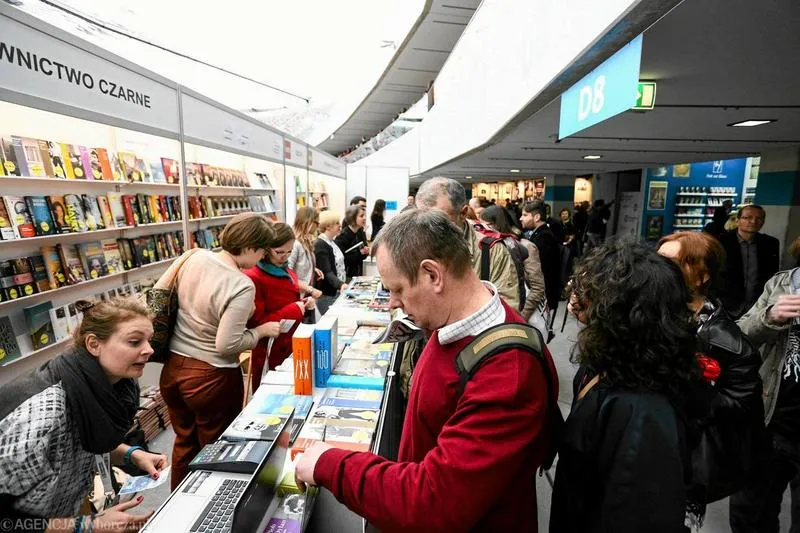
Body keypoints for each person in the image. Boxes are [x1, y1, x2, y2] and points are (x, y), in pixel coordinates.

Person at [295, 209, 558, 532]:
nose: (392, 303)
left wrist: (328, 463)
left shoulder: (508, 374)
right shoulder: (454, 322)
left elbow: (434, 502)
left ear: (433, 276)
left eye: (398, 289)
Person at [550, 241, 700, 532]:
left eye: (592, 295)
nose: (578, 300)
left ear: (620, 313)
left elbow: (638, 515)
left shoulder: (643, 412)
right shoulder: (615, 364)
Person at [0, 298, 169, 532]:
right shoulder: (44, 416)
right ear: (93, 344)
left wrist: (131, 455)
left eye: (148, 340)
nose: (149, 349)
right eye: (134, 341)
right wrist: (87, 526)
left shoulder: (104, 388)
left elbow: (73, 444)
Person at [160, 213, 281, 488]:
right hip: (209, 377)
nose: (262, 257)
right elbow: (226, 345)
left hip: (173, 369)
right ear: (250, 246)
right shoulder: (240, 284)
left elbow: (160, 293)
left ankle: (176, 510)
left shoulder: (194, 256)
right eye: (262, 250)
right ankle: (208, 513)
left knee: (183, 443)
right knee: (216, 451)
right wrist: (260, 332)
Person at [657, 232, 766, 527]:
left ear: (703, 276)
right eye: (657, 260)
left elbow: (742, 408)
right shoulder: (647, 313)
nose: (658, 269)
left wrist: (696, 387)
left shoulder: (728, 342)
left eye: (672, 263)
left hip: (681, 465)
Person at [730, 264, 800, 533]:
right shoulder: (782, 283)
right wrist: (770, 315)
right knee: (750, 514)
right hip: (775, 420)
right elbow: (740, 335)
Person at [415, 177, 520, 310]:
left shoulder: (492, 251)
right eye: (420, 218)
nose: (428, 227)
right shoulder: (412, 242)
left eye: (439, 220)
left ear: (463, 213)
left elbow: (507, 310)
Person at [246, 222, 320, 387]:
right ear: (266, 249)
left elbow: (286, 300)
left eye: (289, 251)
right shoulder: (255, 276)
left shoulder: (285, 269)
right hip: (270, 350)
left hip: (291, 344)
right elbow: (256, 323)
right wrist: (294, 309)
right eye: (279, 251)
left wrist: (303, 304)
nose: (285, 256)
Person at [479, 205, 545, 321]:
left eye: (487, 226)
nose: (483, 231)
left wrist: (519, 317)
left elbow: (537, 287)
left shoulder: (525, 246)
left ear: (497, 224)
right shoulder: (488, 248)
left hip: (522, 316)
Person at [718, 205, 780, 318]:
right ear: (737, 220)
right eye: (747, 217)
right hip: (726, 306)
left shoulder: (770, 243)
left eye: (759, 218)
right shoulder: (720, 242)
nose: (753, 221)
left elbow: (772, 274)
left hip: (758, 306)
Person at [521, 201, 561, 314]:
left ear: (537, 217)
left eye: (525, 215)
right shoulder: (539, 234)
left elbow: (547, 269)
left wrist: (548, 296)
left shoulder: (544, 238)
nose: (521, 218)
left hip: (542, 297)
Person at [314, 210, 348, 314]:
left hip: (337, 290)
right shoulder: (320, 244)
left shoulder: (331, 242)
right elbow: (327, 271)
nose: (340, 226)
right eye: (337, 223)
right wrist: (340, 284)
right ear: (328, 226)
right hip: (328, 293)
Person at [289, 206, 324, 292]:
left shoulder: (306, 241)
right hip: (298, 293)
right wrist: (309, 289)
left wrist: (312, 269)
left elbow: (300, 264)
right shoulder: (295, 244)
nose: (318, 226)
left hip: (304, 292)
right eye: (316, 223)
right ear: (308, 222)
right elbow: (288, 273)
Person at [335, 204, 369, 279]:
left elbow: (363, 255)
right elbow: (342, 260)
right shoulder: (342, 236)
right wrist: (360, 253)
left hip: (358, 273)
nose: (364, 218)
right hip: (346, 276)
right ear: (353, 218)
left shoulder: (361, 232)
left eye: (364, 216)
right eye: (361, 216)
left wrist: (365, 251)